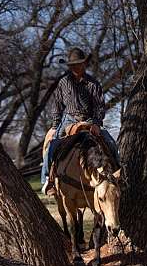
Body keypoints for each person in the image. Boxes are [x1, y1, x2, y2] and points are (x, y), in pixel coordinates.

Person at [41, 47, 120, 196]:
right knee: (52, 145)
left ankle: (117, 177)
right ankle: (47, 180)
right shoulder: (63, 83)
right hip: (68, 119)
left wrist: (96, 123)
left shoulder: (93, 84)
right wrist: (55, 126)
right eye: (72, 65)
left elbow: (99, 106)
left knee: (111, 143)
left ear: (84, 64)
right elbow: (57, 105)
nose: (75, 67)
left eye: (78, 64)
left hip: (89, 120)